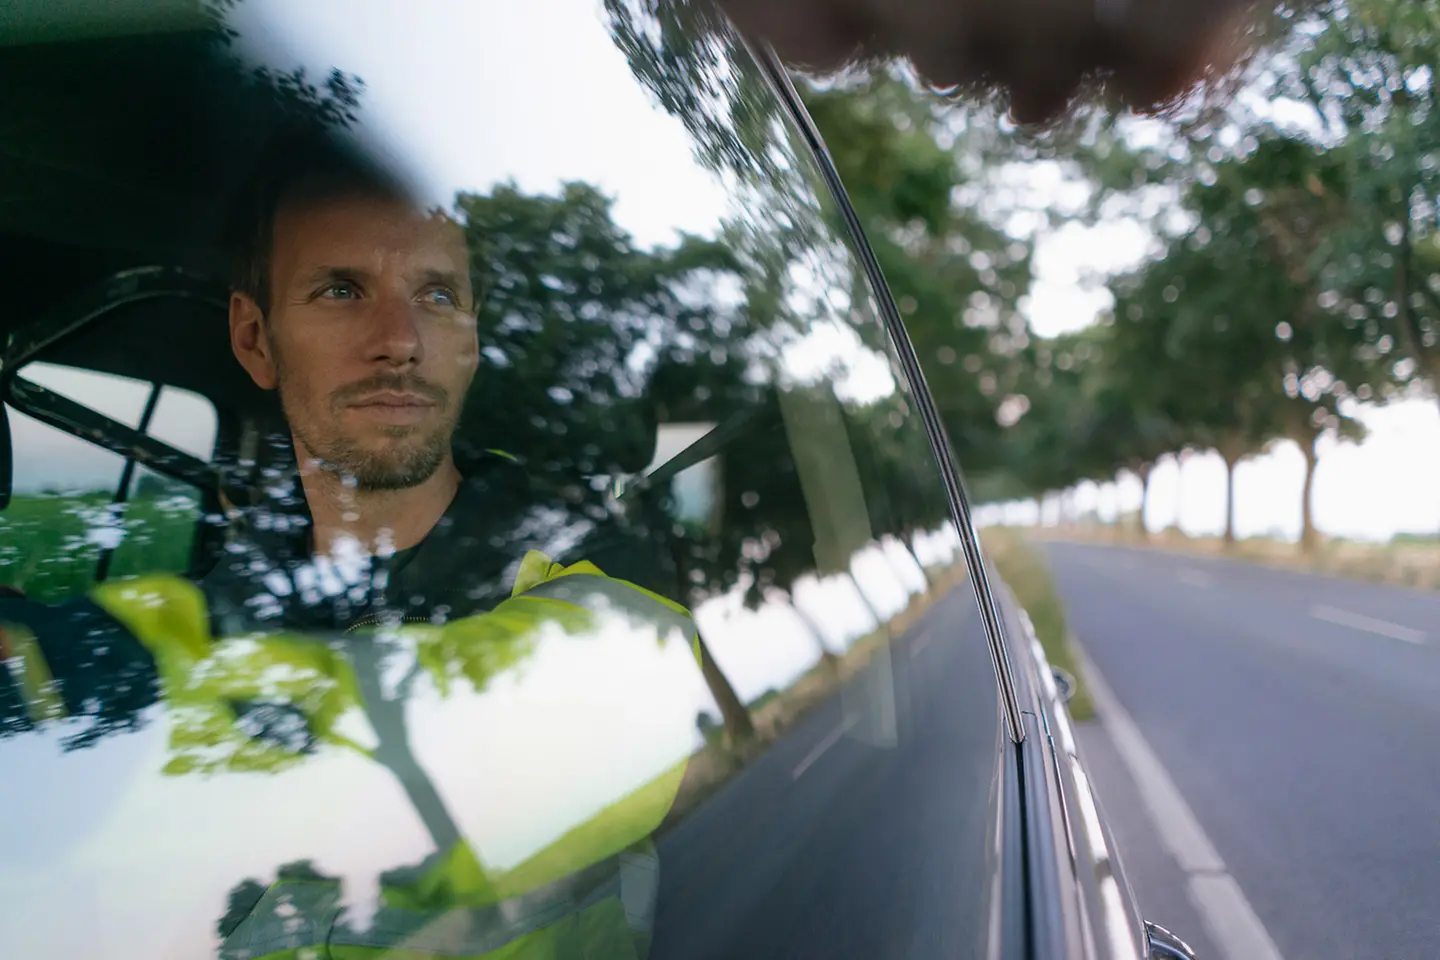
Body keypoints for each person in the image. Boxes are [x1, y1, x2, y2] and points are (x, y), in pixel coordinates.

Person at [0, 132, 695, 959]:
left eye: (436, 296)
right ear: (255, 339)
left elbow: (549, 723)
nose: (399, 337)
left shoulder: (597, 558)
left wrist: (79, 694)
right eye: (341, 289)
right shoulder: (228, 602)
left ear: (470, 340)